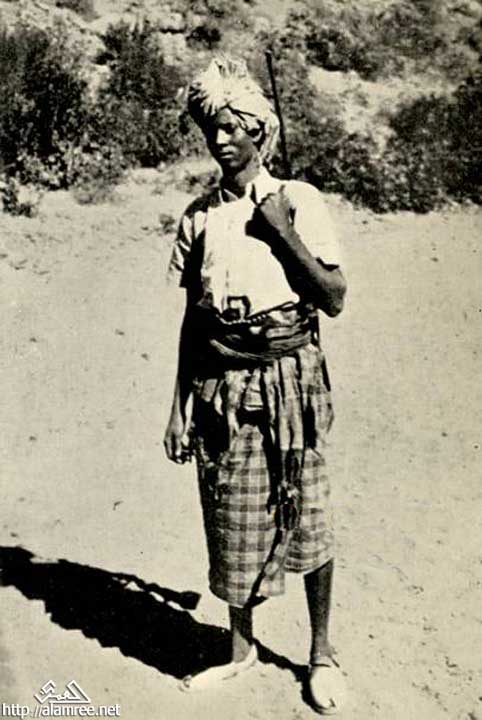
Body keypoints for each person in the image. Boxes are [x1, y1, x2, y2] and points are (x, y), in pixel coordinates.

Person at [164, 55, 347, 714]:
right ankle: (240, 648)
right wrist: (178, 407)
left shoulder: (298, 200)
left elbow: (333, 296)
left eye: (232, 127)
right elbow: (194, 320)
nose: (220, 139)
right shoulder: (198, 217)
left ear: (259, 131)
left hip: (292, 381)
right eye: (211, 128)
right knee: (231, 517)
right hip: (222, 384)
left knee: (309, 518)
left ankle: (321, 654)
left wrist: (282, 232)